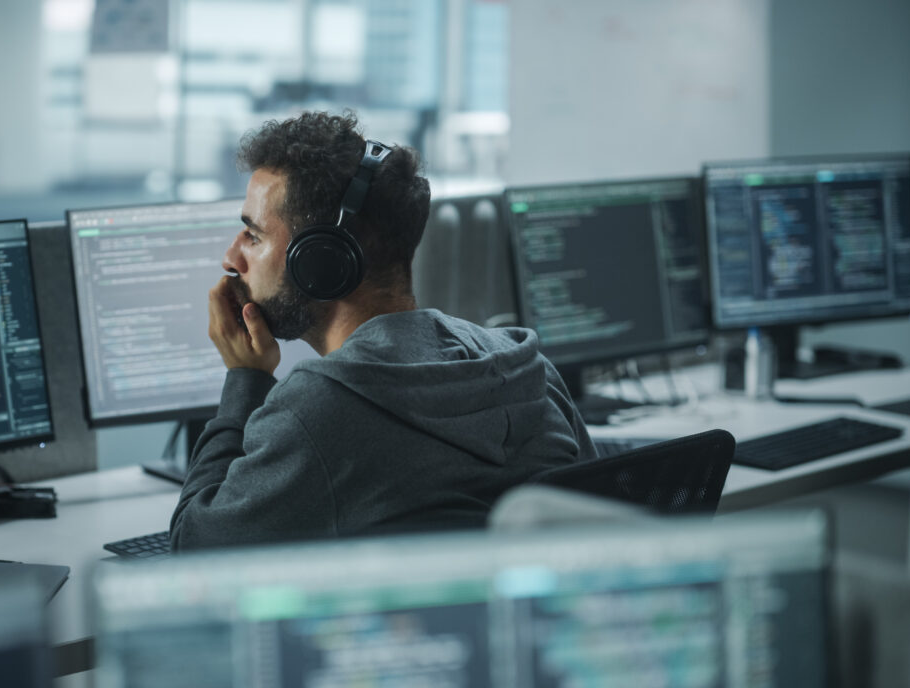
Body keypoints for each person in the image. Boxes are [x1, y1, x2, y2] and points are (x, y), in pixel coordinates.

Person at [170, 111, 595, 550]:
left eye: (253, 237)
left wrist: (245, 378)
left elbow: (192, 546)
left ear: (320, 261)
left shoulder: (317, 412)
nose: (230, 258)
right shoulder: (529, 370)